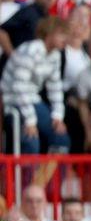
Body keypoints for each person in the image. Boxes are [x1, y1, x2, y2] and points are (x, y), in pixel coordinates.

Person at [1, 17, 70, 154]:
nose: (66, 39)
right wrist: (30, 120)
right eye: (62, 34)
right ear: (50, 34)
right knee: (31, 140)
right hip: (12, 101)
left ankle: (50, 176)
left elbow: (55, 87)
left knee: (61, 138)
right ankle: (26, 176)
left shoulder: (55, 55)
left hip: (32, 100)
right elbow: (19, 88)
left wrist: (57, 116)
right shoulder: (30, 51)